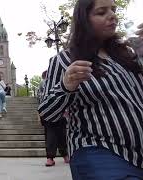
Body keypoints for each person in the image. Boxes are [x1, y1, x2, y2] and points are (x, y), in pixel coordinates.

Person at [38, 0, 143, 179]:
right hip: (98, 152)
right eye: (102, 12)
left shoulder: (127, 55)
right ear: (84, 20)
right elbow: (47, 113)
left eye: (113, 10)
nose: (112, 15)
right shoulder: (64, 60)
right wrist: (66, 86)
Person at [38, 70, 69, 167]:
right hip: (56, 110)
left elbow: (40, 97)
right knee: (61, 134)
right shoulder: (55, 82)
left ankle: (50, 158)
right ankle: (64, 156)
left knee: (51, 135)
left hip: (48, 111)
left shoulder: (43, 83)